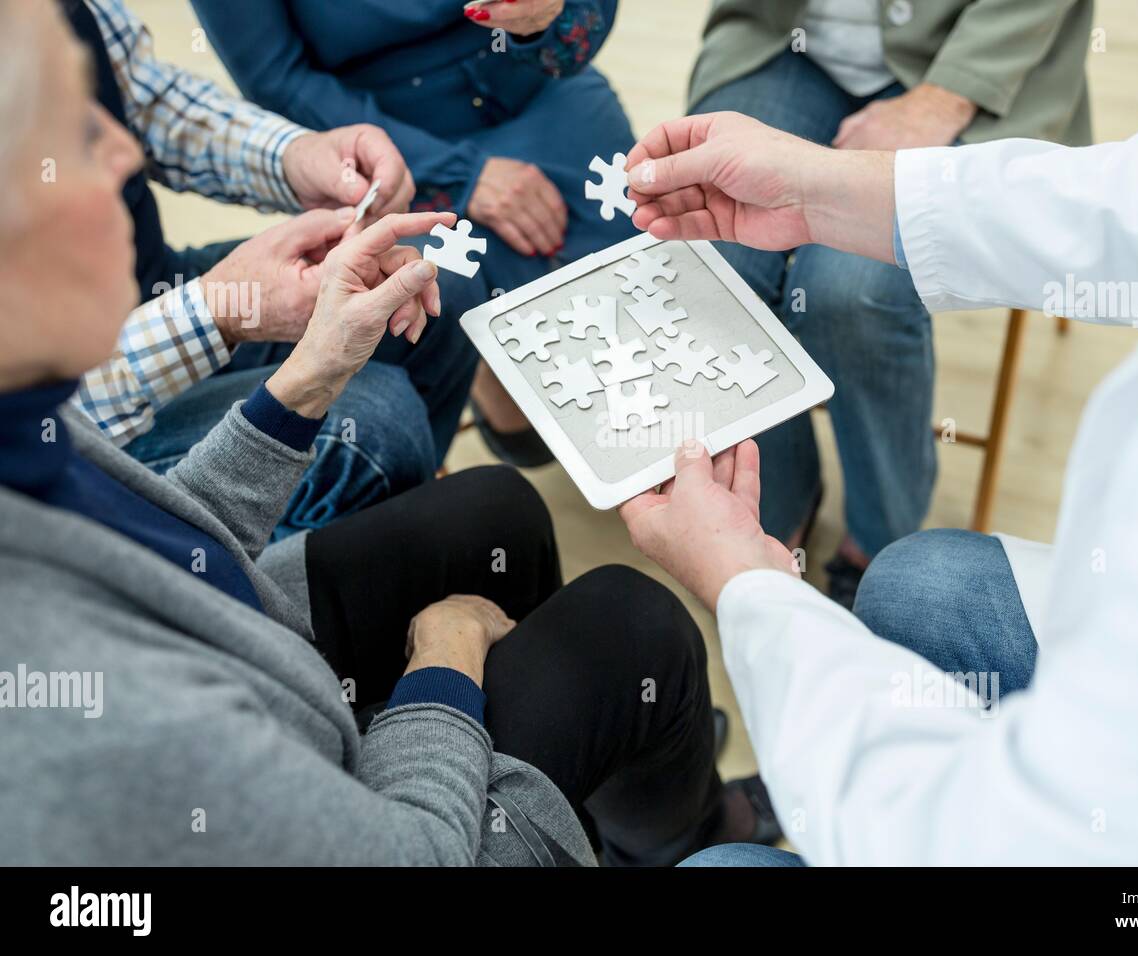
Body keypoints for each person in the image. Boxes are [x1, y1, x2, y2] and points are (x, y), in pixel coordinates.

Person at [0, 0, 749, 866]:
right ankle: (673, 832)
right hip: (354, 794)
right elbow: (410, 854)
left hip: (242, 635)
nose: (127, 153)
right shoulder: (99, 728)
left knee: (492, 509)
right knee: (634, 624)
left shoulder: (28, 427)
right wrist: (445, 666)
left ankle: (596, 788)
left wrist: (301, 385)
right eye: (67, 139)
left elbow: (157, 541)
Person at [616, 0, 1138, 864]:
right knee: (918, 584)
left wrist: (749, 590)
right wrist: (820, 189)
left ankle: (826, 544)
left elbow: (985, 838)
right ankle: (799, 525)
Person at [688, 0, 1095, 606]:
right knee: (715, 273)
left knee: (851, 297)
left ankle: (881, 539)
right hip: (781, 39)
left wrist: (945, 97)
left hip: (973, 58)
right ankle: (775, 502)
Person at [68, 0, 483, 539]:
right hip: (64, 422)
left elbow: (148, 102)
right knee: (374, 425)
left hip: (146, 288)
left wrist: (295, 156)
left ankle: (376, 542)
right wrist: (218, 311)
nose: (118, 157)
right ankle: (273, 588)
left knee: (436, 291)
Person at [189, 0, 641, 464]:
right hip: (390, 146)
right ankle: (490, 388)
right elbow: (275, 80)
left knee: (653, 283)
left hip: (542, 88)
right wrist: (461, 176)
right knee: (503, 366)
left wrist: (547, 18)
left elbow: (587, 14)